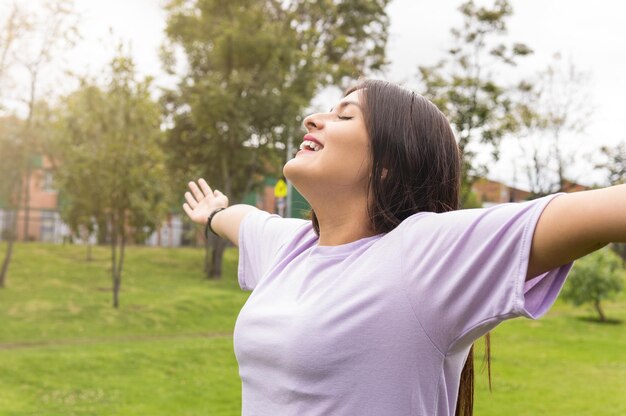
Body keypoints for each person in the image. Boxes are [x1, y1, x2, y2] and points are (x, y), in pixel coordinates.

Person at [182, 79, 625, 416]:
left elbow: (607, 209)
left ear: (389, 164)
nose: (312, 119)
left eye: (344, 116)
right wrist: (215, 214)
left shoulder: (424, 255)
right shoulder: (291, 247)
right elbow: (245, 221)